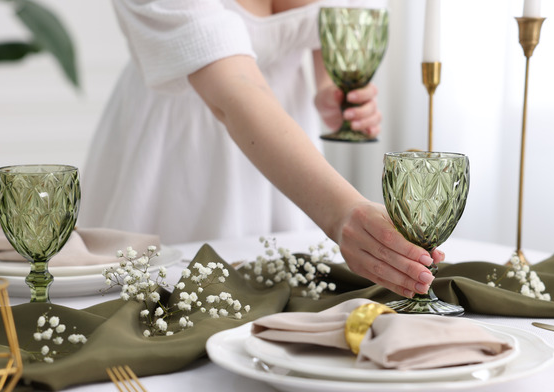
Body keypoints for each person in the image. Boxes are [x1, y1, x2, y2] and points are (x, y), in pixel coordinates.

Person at [79, 0, 443, 299]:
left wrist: (331, 88)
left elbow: (328, 22)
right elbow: (234, 92)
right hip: (180, 154)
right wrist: (341, 212)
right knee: (172, 300)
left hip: (291, 151)